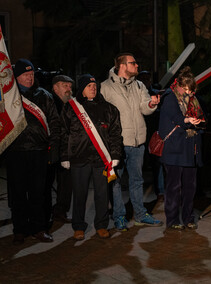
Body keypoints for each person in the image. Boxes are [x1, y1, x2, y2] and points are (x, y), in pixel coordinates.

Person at [101, 53, 163, 231]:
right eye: (133, 63)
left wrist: (151, 104)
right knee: (116, 182)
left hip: (137, 142)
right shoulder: (105, 87)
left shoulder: (139, 85)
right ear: (122, 66)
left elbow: (144, 107)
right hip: (117, 143)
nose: (137, 66)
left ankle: (140, 215)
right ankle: (119, 216)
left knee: (137, 180)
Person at [60, 74, 123, 240]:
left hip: (101, 159)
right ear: (82, 89)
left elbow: (116, 134)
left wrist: (115, 154)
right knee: (79, 194)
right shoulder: (70, 108)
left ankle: (101, 225)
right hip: (79, 158)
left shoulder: (109, 108)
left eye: (95, 86)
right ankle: (78, 226)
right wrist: (64, 156)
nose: (93, 88)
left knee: (102, 194)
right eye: (89, 86)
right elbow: (63, 133)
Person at [6, 58, 61, 244]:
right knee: (18, 192)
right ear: (17, 77)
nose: (30, 78)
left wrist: (53, 148)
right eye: (26, 75)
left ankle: (39, 228)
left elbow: (54, 122)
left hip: (39, 151)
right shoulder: (8, 97)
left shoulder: (44, 95)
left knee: (39, 193)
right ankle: (20, 229)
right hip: (16, 151)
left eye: (31, 75)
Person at [159, 66, 205, 230]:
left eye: (192, 91)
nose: (190, 94)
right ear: (179, 86)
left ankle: (188, 217)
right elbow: (176, 118)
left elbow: (200, 114)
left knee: (190, 187)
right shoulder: (169, 97)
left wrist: (198, 121)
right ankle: (172, 220)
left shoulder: (194, 99)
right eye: (187, 90)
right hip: (174, 149)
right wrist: (188, 121)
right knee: (173, 188)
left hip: (190, 149)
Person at [45, 75, 74, 223]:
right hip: (51, 147)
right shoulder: (48, 101)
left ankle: (60, 211)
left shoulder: (70, 103)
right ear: (55, 87)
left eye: (70, 86)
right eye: (65, 86)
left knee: (66, 182)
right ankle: (44, 212)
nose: (69, 89)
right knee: (46, 182)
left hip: (67, 149)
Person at [137, 70, 165, 202]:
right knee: (138, 164)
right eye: (142, 79)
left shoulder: (155, 93)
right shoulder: (136, 93)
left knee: (157, 163)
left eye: (147, 79)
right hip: (140, 133)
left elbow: (160, 113)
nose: (145, 81)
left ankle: (160, 191)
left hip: (154, 133)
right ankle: (137, 194)